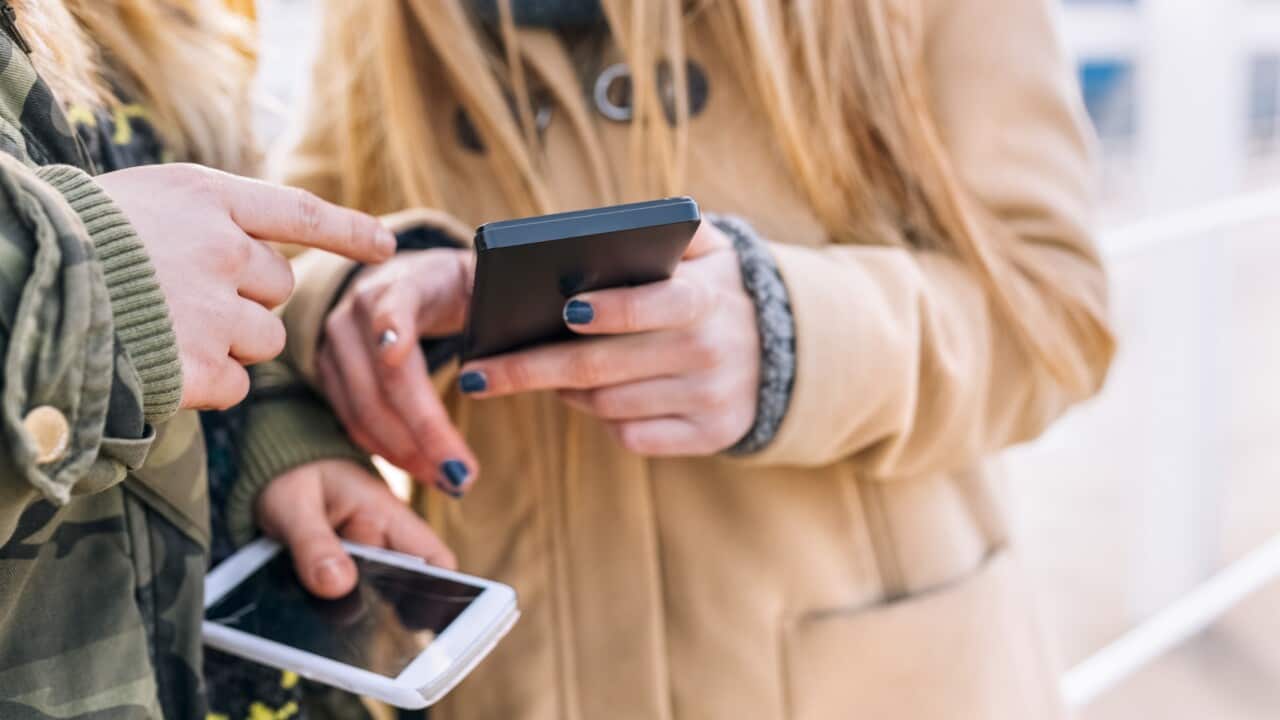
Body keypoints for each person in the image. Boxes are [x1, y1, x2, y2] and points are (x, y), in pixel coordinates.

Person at [275, 0, 1115, 717]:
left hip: (864, 678)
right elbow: (296, 246)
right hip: (509, 677)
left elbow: (1052, 308)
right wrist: (366, 296)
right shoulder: (385, 17)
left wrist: (791, 335)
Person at [0, 2, 455, 718]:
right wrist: (83, 286)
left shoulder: (165, 21)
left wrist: (269, 433)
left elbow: (198, 274)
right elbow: (132, 274)